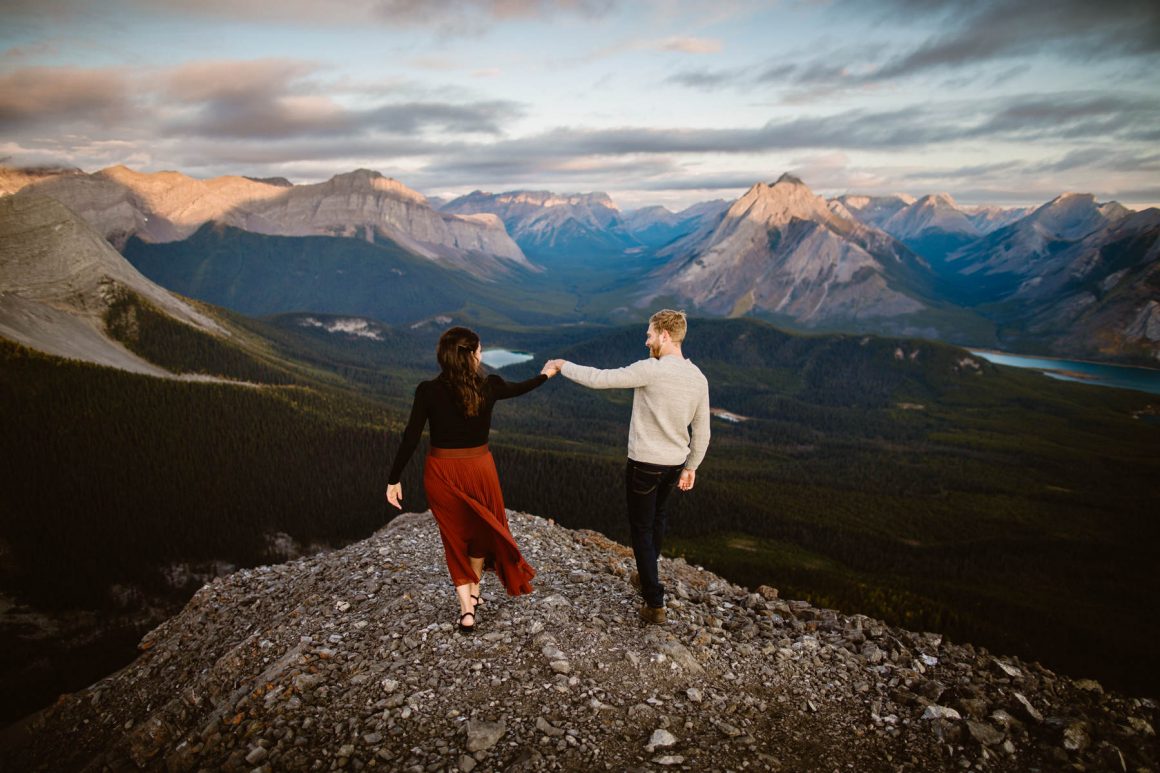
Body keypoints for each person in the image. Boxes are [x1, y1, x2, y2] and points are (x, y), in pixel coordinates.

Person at [386, 327, 559, 634]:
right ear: (473, 356)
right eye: (480, 351)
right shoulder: (489, 386)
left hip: (441, 472)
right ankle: (475, 591)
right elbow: (521, 388)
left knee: (455, 538)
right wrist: (546, 374)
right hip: (480, 469)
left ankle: (467, 609)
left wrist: (394, 479)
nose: (482, 355)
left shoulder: (427, 390)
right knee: (481, 532)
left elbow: (410, 437)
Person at [547, 309, 709, 625]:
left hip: (645, 464)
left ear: (664, 335)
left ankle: (654, 601)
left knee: (641, 529)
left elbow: (600, 379)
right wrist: (692, 466)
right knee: (657, 520)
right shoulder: (698, 378)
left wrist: (563, 365)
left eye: (650, 334)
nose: (646, 340)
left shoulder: (652, 369)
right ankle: (646, 574)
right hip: (674, 464)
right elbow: (702, 430)